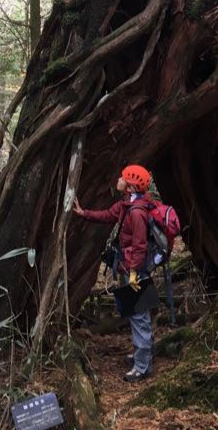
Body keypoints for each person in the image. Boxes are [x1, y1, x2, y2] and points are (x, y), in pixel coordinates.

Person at [73, 163, 155, 383]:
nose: (118, 179)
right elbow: (108, 215)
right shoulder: (127, 204)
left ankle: (142, 366)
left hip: (136, 270)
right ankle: (143, 355)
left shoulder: (137, 212)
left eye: (123, 177)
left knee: (139, 315)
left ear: (130, 185)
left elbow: (140, 246)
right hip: (129, 267)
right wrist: (83, 213)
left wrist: (134, 273)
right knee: (136, 313)